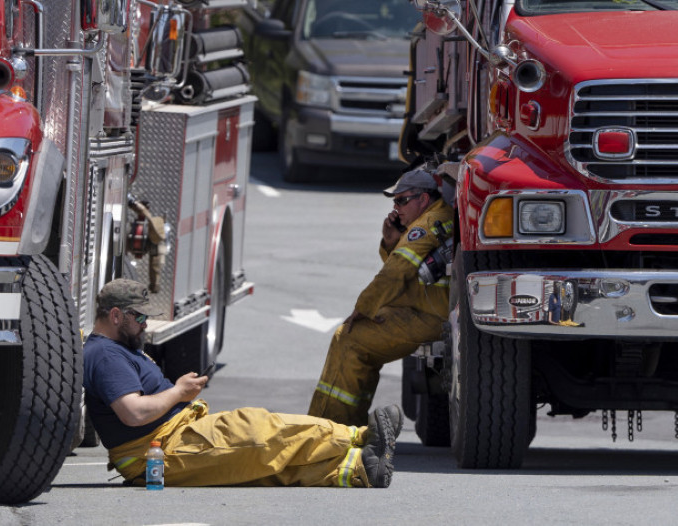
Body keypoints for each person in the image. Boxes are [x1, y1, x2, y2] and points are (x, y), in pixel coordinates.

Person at [83, 278, 402, 488]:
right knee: (261, 431)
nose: (145, 324)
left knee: (265, 464)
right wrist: (178, 392)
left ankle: (360, 468)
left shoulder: (118, 348)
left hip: (170, 438)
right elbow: (133, 412)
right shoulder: (106, 355)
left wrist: (182, 392)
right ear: (116, 316)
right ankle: (358, 437)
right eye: (139, 317)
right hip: (161, 448)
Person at [309, 167, 454, 426]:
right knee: (357, 343)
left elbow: (396, 271)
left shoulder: (426, 224)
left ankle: (328, 427)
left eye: (402, 200)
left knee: (349, 339)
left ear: (423, 199)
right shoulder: (436, 217)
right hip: (427, 310)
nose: (396, 208)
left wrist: (363, 308)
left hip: (428, 316)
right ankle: (346, 426)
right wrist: (391, 242)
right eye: (394, 202)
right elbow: (405, 269)